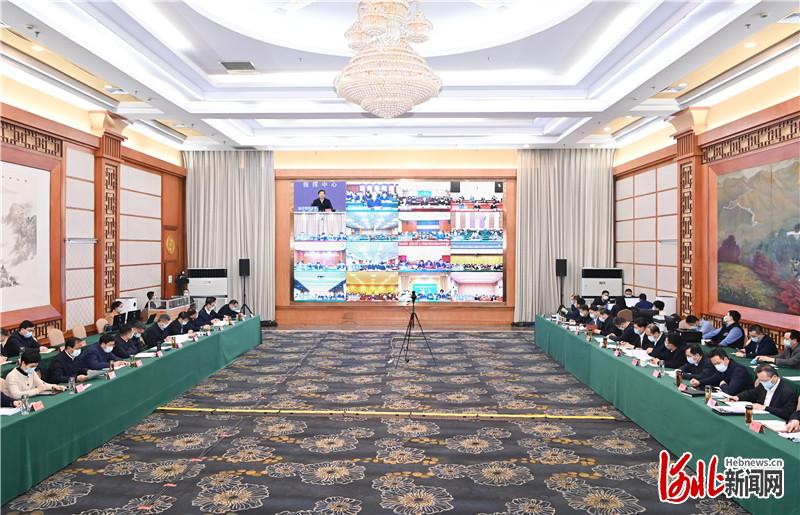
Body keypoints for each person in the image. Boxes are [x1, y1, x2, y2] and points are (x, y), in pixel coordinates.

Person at [730, 365, 798, 421]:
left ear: (774, 377)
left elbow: (787, 413)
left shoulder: (788, 392)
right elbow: (752, 393)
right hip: (760, 417)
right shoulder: (763, 384)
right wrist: (737, 397)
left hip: (775, 421)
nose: (762, 383)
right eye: (760, 380)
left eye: (764, 381)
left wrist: (764, 408)